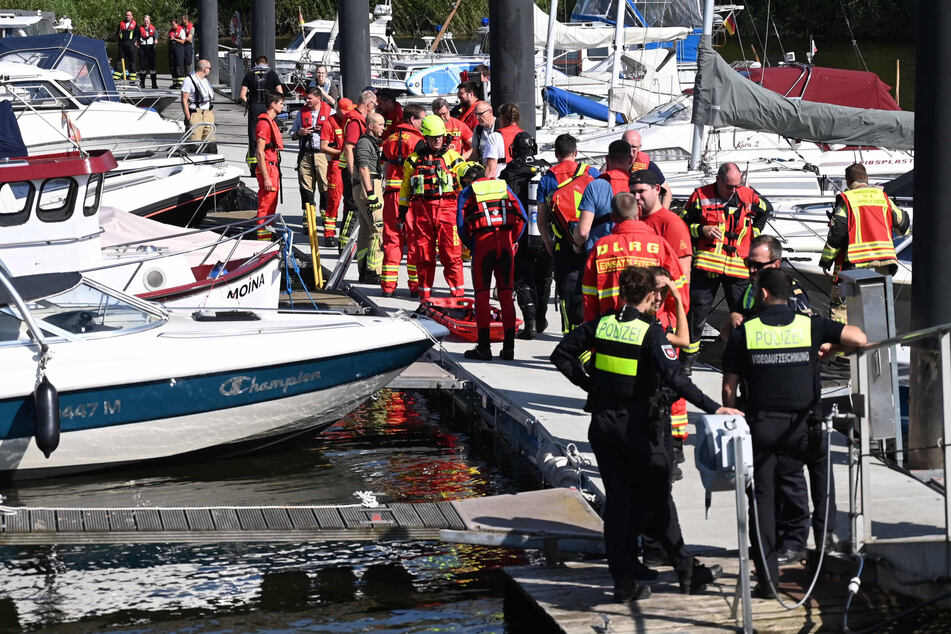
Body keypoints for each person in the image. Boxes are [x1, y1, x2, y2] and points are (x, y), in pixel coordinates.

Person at [552, 266, 735, 603]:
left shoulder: (602, 324)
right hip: (640, 428)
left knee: (620, 503)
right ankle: (686, 572)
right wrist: (714, 407)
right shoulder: (650, 334)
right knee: (659, 499)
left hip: (604, 426)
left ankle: (624, 580)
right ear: (652, 296)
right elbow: (677, 379)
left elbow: (561, 354)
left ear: (622, 294)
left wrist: (589, 385)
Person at [722, 268, 867, 598]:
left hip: (762, 428)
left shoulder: (746, 332)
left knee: (762, 503)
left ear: (761, 295)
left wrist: (735, 418)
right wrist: (830, 347)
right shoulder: (811, 325)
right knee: (821, 479)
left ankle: (768, 580)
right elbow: (858, 338)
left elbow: (729, 386)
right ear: (790, 295)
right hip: (805, 426)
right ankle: (825, 554)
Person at [719, 234, 820, 567]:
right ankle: (766, 544)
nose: (749, 269)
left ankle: (793, 542)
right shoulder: (752, 289)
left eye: (756, 265)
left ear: (775, 265)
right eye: (748, 263)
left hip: (790, 405)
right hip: (757, 401)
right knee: (760, 482)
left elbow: (807, 340)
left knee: (788, 479)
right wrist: (731, 326)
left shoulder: (792, 296)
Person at [682, 162, 770, 372]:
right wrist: (701, 229)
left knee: (742, 317)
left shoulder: (748, 195)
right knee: (696, 315)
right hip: (707, 266)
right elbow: (684, 222)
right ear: (719, 180)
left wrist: (753, 236)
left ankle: (744, 362)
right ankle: (686, 363)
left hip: (738, 267)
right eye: (730, 186)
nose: (734, 190)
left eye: (737, 186)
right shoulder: (700, 196)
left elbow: (765, 212)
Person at [631, 169, 694, 460]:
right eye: (633, 191)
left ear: (658, 190)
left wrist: (672, 321)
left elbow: (683, 279)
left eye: (642, 190)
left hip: (665, 318)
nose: (637, 196)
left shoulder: (672, 224)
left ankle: (677, 442)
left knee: (672, 381)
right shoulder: (638, 223)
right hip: (643, 318)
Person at [818, 163, 910, 322]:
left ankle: (843, 344)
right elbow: (903, 225)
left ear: (848, 181)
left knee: (842, 310)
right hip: (884, 264)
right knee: (877, 310)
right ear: (866, 179)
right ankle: (876, 345)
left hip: (854, 264)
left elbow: (837, 235)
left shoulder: (847, 200)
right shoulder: (883, 198)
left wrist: (826, 261)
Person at [457, 162, 527, 360]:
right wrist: (511, 239)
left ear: (468, 179)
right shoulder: (503, 187)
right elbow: (522, 218)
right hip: (505, 243)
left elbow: (461, 227)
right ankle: (509, 348)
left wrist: (473, 245)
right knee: (506, 293)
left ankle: (484, 347)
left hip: (482, 244)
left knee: (481, 294)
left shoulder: (467, 193)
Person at [582, 192, 687, 323]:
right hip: (651, 328)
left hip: (610, 330)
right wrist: (667, 324)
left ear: (613, 217)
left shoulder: (601, 247)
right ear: (639, 212)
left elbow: (589, 297)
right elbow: (679, 290)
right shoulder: (660, 245)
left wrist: (593, 332)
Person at [398, 114, 467, 300]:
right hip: (422, 211)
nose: (437, 140)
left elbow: (462, 170)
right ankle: (425, 298)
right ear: (425, 137)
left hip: (448, 210)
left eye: (440, 137)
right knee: (424, 256)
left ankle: (458, 296)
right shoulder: (413, 160)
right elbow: (405, 187)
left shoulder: (452, 156)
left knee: (452, 255)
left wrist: (471, 173)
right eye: (433, 137)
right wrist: (402, 211)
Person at [538, 133, 600, 333]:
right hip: (591, 241)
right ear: (576, 152)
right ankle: (589, 330)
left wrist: (548, 241)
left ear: (556, 154)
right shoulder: (593, 173)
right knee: (590, 288)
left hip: (563, 244)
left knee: (566, 289)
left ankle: (568, 332)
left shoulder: (548, 178)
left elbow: (542, 217)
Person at [501, 132, 551, 339]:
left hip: (521, 232)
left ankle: (529, 323)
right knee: (544, 278)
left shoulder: (509, 171)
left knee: (522, 279)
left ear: (514, 150)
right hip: (544, 231)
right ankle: (541, 317)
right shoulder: (546, 167)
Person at [380, 104, 425, 296]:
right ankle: (415, 288)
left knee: (392, 240)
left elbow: (384, 165)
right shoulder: (418, 141)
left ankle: (388, 289)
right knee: (414, 241)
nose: (423, 123)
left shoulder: (389, 138)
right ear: (413, 119)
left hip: (391, 196)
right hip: (410, 198)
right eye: (422, 119)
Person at [574, 140, 633, 252]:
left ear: (607, 159)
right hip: (631, 252)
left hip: (601, 254)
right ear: (630, 159)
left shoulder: (595, 186)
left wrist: (577, 246)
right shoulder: (638, 187)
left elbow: (582, 232)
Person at [339, 90, 378, 250]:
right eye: (374, 104)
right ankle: (344, 244)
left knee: (355, 208)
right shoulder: (355, 121)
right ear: (369, 104)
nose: (375, 107)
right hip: (353, 171)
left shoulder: (357, 118)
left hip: (354, 169)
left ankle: (347, 244)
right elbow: (349, 148)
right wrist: (353, 175)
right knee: (353, 209)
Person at [353, 112, 387, 283]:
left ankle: (363, 270)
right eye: (380, 124)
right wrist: (371, 194)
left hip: (367, 185)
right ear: (370, 125)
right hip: (370, 185)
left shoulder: (370, 142)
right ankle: (373, 270)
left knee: (366, 230)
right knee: (377, 227)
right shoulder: (365, 143)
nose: (383, 128)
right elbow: (364, 168)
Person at [292, 88, 332, 231]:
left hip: (323, 155)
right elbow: (292, 134)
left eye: (309, 98)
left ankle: (326, 217)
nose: (306, 101)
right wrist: (300, 133)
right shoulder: (301, 113)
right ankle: (308, 219)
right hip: (305, 155)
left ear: (318, 99)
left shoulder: (330, 113)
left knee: (325, 187)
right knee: (306, 188)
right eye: (306, 98)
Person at [319, 98, 354, 248]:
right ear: (338, 110)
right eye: (343, 112)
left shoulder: (351, 121)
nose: (346, 115)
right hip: (336, 164)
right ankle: (329, 234)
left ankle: (346, 232)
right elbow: (323, 147)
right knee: (334, 200)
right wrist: (340, 152)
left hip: (350, 164)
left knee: (350, 200)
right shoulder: (329, 123)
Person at [238, 57, 283, 175]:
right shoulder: (272, 74)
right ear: (267, 63)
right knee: (271, 133)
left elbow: (242, 95)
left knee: (253, 134)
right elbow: (280, 92)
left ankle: (254, 166)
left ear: (255, 63)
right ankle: (274, 161)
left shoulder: (249, 74)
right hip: (269, 108)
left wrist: (249, 103)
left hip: (254, 107)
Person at [254, 91, 285, 240]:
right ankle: (262, 240)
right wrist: (266, 177)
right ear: (273, 104)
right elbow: (260, 152)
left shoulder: (271, 122)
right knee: (265, 205)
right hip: (268, 168)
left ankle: (267, 235)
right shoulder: (264, 123)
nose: (283, 106)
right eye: (281, 103)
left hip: (273, 167)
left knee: (271, 204)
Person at [622, 130, 672, 209]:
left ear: (639, 147)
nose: (630, 150)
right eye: (627, 146)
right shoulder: (611, 165)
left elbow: (667, 193)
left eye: (634, 147)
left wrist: (661, 216)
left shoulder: (650, 167)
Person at [180, 59, 216, 151]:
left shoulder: (205, 81)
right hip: (196, 113)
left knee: (211, 144)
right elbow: (184, 100)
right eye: (210, 68)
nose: (210, 70)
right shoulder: (189, 80)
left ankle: (210, 161)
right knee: (194, 144)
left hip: (207, 114)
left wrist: (210, 113)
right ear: (205, 69)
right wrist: (189, 118)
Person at [473, 103, 504, 177]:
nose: (478, 118)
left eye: (480, 114)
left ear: (490, 111)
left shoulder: (501, 126)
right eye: (476, 114)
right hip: (485, 171)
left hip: (501, 171)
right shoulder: (478, 129)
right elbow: (474, 153)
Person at [136, 15, 157, 89]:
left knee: (152, 67)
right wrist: (137, 44)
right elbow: (137, 38)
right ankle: (142, 83)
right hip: (142, 48)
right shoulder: (140, 29)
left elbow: (156, 38)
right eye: (145, 21)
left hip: (150, 48)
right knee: (143, 67)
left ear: (150, 21)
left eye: (147, 21)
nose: (146, 22)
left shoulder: (153, 28)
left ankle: (154, 84)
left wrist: (156, 41)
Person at [116, 10, 138, 81]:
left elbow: (138, 34)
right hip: (123, 44)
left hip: (131, 45)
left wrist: (136, 42)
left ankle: (132, 77)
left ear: (132, 16)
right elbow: (117, 34)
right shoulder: (121, 24)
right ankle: (117, 76)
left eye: (129, 15)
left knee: (132, 61)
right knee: (120, 61)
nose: (127, 16)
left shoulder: (135, 25)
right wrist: (119, 42)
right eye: (126, 15)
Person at [167, 19, 185, 89]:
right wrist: (169, 40)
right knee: (172, 66)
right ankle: (174, 83)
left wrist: (174, 39)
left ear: (177, 24)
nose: (172, 26)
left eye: (174, 24)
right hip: (171, 50)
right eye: (172, 24)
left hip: (179, 50)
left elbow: (183, 41)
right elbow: (167, 42)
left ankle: (180, 84)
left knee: (179, 66)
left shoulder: (181, 31)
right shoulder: (170, 31)